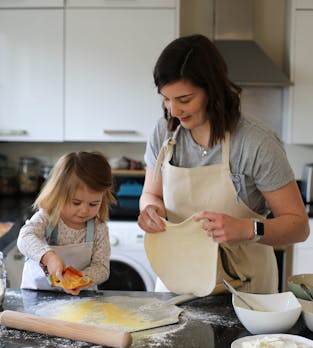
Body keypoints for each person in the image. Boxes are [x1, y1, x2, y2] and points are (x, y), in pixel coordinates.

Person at [138, 34, 309, 294]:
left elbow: (298, 226)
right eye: (165, 99)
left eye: (184, 99)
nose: (173, 110)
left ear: (213, 90)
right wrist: (151, 210)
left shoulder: (255, 142)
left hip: (246, 291)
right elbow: (151, 194)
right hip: (177, 284)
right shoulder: (164, 134)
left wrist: (246, 229)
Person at [17, 151, 115, 295]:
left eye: (94, 204)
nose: (84, 210)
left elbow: (101, 268)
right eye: (76, 202)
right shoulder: (48, 217)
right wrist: (49, 257)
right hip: (36, 296)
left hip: (81, 299)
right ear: (58, 195)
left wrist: (79, 280)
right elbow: (24, 238)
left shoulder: (98, 229)